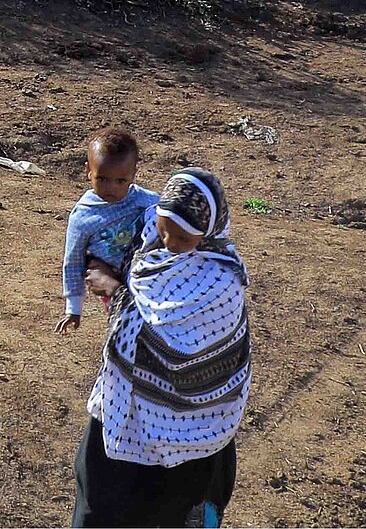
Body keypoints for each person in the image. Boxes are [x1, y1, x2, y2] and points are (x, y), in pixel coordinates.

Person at [72, 168, 252, 528]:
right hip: (125, 404)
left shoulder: (221, 281)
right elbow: (136, 282)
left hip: (192, 423)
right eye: (163, 227)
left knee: (174, 512)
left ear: (208, 232)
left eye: (182, 237)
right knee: (98, 505)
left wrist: (113, 288)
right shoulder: (150, 241)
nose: (168, 242)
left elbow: (168, 340)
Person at [55, 127, 159, 335]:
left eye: (121, 181)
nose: (111, 188)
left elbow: (174, 220)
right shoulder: (83, 217)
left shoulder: (147, 201)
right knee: (128, 332)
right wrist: (73, 308)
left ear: (133, 175)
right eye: (102, 179)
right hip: (114, 288)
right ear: (88, 172)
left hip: (152, 282)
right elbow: (73, 261)